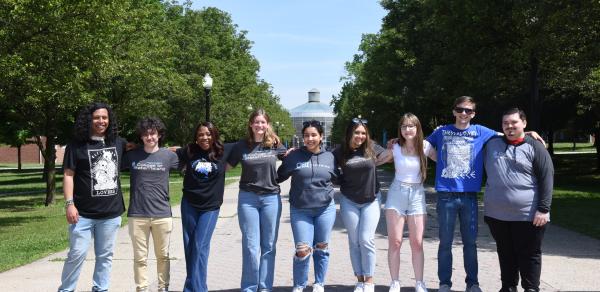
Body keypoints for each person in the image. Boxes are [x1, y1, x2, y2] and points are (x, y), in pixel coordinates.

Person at [426, 96, 544, 292]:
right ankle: (444, 283)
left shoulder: (481, 131)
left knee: (470, 243)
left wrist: (528, 132)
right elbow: (422, 145)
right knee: (445, 242)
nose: (464, 114)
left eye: (469, 110)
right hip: (446, 195)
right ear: (454, 111)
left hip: (470, 196)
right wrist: (438, 159)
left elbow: (508, 134)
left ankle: (472, 283)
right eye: (460, 109)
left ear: (474, 113)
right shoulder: (442, 131)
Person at [58, 102, 127, 292]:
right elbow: (68, 175)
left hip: (111, 214)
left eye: (104, 117)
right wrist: (69, 204)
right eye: (97, 117)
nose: (101, 121)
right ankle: (66, 290)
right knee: (76, 254)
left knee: (105, 256)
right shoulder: (76, 145)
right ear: (89, 119)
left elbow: (145, 149)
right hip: (82, 215)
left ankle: (101, 289)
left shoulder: (118, 143)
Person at [483, 108, 553, 292]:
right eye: (505, 123)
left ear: (524, 123)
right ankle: (508, 287)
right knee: (505, 253)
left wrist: (544, 209)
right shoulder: (491, 144)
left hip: (528, 215)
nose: (509, 126)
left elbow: (547, 177)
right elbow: (467, 136)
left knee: (529, 254)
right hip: (496, 214)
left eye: (514, 122)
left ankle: (531, 288)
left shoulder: (535, 146)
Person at [226, 109, 287, 292]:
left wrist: (281, 176)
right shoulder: (241, 146)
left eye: (263, 122)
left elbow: (290, 159)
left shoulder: (275, 144)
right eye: (256, 122)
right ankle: (249, 287)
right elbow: (227, 166)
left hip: (271, 199)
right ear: (251, 125)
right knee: (251, 246)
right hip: (248, 199)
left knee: (268, 245)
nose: (260, 125)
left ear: (267, 124)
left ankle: (265, 287)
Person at [277, 120, 338, 292]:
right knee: (303, 249)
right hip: (300, 209)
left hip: (325, 209)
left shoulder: (330, 156)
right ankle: (299, 285)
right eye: (306, 135)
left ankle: (319, 283)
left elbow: (340, 177)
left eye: (314, 135)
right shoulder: (294, 156)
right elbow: (278, 177)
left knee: (321, 247)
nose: (310, 138)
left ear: (321, 137)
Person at [332, 117, 391, 292]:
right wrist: (340, 180)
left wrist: (396, 145)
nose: (360, 136)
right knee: (354, 240)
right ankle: (359, 279)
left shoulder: (371, 147)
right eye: (357, 132)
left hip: (371, 199)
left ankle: (369, 281)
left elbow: (388, 155)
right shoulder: (340, 151)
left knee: (366, 239)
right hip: (349, 200)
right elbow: (330, 169)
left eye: (363, 133)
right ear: (350, 132)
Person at [123, 117, 179, 292]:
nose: (150, 137)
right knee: (140, 258)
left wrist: (178, 149)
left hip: (162, 214)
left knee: (163, 256)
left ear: (159, 135)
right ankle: (142, 288)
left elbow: (188, 161)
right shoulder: (132, 156)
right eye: (146, 134)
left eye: (153, 133)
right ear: (141, 136)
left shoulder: (169, 156)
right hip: (137, 215)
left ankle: (163, 287)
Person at [384, 113, 435, 292]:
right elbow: (374, 159)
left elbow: (445, 158)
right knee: (395, 241)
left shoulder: (426, 146)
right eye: (404, 126)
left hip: (417, 195)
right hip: (397, 193)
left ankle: (419, 282)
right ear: (400, 129)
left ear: (417, 128)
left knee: (416, 242)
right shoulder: (395, 147)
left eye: (411, 126)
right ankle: (395, 281)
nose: (407, 129)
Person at [177, 121, 230, 292]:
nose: (204, 137)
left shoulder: (225, 151)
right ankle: (196, 287)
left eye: (208, 134)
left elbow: (250, 143)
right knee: (190, 246)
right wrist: (137, 146)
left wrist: (278, 143)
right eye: (200, 134)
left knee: (200, 245)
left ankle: (195, 288)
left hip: (210, 207)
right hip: (189, 204)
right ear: (196, 137)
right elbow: (170, 151)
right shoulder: (189, 151)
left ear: (214, 135)